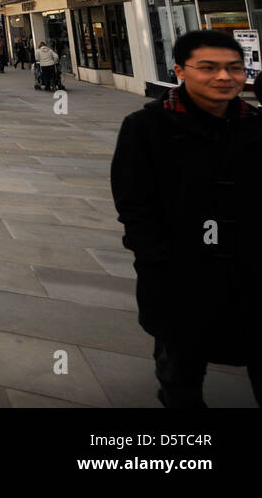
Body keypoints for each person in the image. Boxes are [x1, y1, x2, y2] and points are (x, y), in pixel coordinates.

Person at [111, 30, 262, 408]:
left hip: (254, 276)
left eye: (234, 68)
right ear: (179, 69)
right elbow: (134, 204)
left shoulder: (257, 125)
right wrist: (156, 260)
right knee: (181, 375)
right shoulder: (145, 127)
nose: (224, 77)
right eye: (208, 68)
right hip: (181, 279)